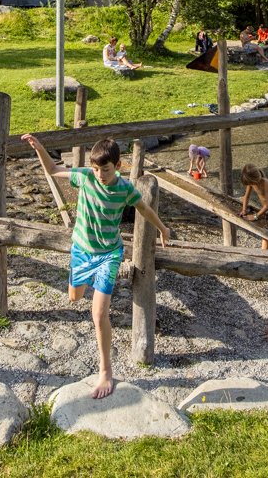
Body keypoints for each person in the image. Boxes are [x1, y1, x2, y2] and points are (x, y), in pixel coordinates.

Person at [22, 133, 171, 399]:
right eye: (96, 168)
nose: (100, 174)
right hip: (81, 250)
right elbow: (53, 170)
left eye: (105, 169)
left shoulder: (124, 189)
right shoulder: (86, 177)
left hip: (109, 254)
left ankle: (105, 371)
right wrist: (40, 147)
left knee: (99, 314)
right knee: (74, 296)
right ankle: (84, 282)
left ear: (118, 166)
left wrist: (162, 228)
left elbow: (144, 209)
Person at [239, 164, 268, 250]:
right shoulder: (251, 182)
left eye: (251, 183)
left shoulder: (265, 182)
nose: (250, 185)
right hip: (267, 210)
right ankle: (265, 255)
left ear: (254, 179)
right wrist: (244, 210)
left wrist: (254, 216)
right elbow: (246, 196)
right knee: (265, 235)